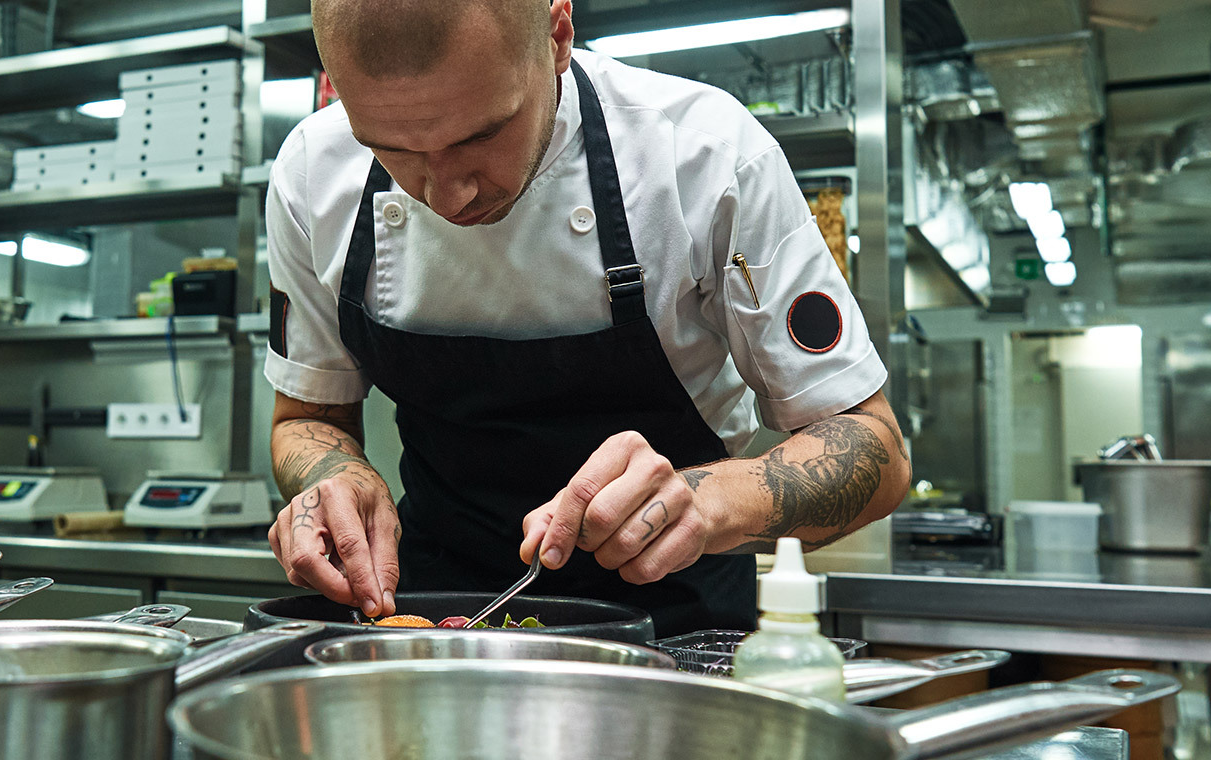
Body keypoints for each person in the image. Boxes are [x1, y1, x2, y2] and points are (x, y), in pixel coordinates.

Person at [262, 0, 909, 636]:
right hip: (439, 625)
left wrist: (706, 502)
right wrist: (333, 475)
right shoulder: (313, 174)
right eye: (393, 149)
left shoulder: (703, 155)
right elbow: (307, 420)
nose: (445, 195)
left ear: (557, 33)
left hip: (674, 631)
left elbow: (874, 447)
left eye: (481, 134)